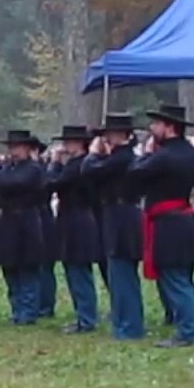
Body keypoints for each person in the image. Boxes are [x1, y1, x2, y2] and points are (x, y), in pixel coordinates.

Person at [129, 105, 194, 348]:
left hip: (169, 223)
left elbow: (135, 173)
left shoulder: (163, 156)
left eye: (156, 124)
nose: (152, 129)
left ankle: (187, 331)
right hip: (185, 218)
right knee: (183, 277)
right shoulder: (192, 154)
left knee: (176, 278)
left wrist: (147, 153)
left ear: (169, 127)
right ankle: (187, 325)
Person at [82, 114, 144, 339]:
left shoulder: (122, 158)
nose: (106, 138)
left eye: (111, 134)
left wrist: (92, 154)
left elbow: (89, 170)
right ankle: (123, 321)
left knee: (123, 273)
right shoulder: (118, 157)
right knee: (117, 272)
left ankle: (130, 325)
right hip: (115, 213)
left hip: (122, 216)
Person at [0, 130, 46, 325]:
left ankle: (29, 311)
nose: (14, 151)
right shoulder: (5, 168)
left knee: (27, 267)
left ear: (28, 149)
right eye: (12, 147)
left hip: (26, 220)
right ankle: (17, 308)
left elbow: (13, 183)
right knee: (9, 267)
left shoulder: (33, 169)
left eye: (18, 147)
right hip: (5, 221)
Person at [47, 126, 102, 333]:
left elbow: (52, 183)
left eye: (69, 142)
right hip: (74, 217)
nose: (65, 146)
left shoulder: (78, 166)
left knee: (79, 270)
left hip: (77, 219)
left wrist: (54, 163)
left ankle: (86, 318)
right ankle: (84, 315)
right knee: (74, 269)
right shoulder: (79, 164)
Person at [32, 137, 57, 320]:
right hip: (31, 217)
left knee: (45, 265)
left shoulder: (42, 171)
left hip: (43, 216)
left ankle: (46, 305)